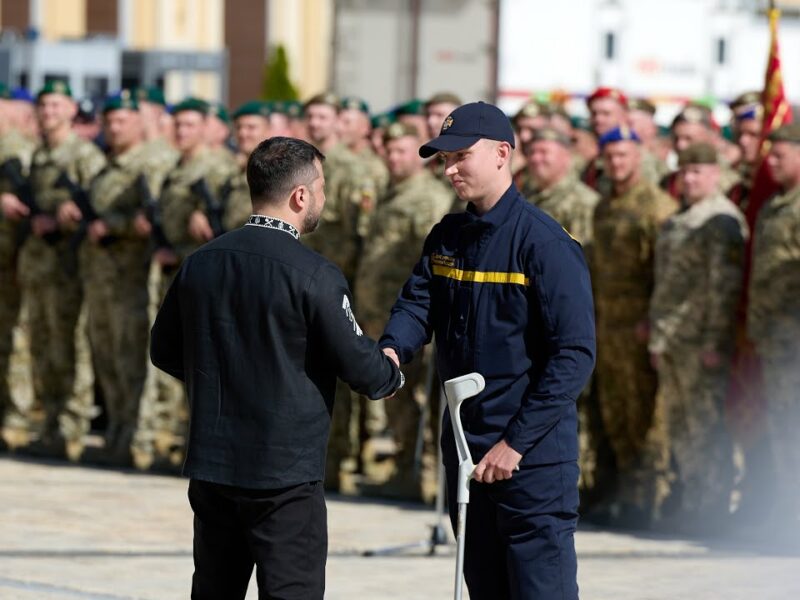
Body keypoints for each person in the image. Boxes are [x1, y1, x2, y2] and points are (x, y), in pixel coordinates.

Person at [150, 136, 404, 599]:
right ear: (300, 195)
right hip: (283, 476)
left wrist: (223, 375)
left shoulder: (201, 262)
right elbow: (362, 369)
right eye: (321, 187)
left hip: (215, 465)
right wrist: (390, 368)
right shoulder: (314, 274)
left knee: (214, 590)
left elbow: (165, 350)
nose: (323, 198)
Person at [380, 101, 595, 599]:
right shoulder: (448, 235)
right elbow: (417, 305)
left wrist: (515, 443)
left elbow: (574, 354)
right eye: (444, 159)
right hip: (466, 453)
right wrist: (392, 352)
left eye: (461, 156)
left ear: (502, 153)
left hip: (530, 461)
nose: (450, 169)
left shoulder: (543, 243)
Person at [353, 122, 453, 501]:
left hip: (408, 317)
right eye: (390, 151)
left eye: (403, 151)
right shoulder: (387, 193)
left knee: (416, 400)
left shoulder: (427, 199)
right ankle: (402, 467)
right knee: (396, 400)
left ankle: (423, 472)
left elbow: (429, 263)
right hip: (377, 311)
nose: (395, 158)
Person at [649, 143, 746, 532]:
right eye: (684, 172)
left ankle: (713, 508)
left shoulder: (721, 221)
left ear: (716, 175)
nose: (689, 179)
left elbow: (723, 288)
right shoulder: (680, 218)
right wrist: (658, 336)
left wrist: (714, 342)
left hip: (700, 341)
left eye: (698, 172)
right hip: (673, 340)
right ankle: (693, 503)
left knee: (706, 427)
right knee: (681, 428)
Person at [590, 126, 678, 526]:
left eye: (623, 155)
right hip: (608, 327)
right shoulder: (603, 206)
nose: (616, 163)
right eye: (610, 157)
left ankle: (652, 501)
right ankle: (627, 495)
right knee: (615, 413)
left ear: (638, 157)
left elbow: (667, 272)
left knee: (646, 417)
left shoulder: (658, 207)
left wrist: (654, 321)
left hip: (639, 327)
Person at [748, 123, 800, 536]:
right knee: (782, 428)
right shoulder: (774, 205)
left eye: (781, 155)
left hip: (794, 342)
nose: (772, 162)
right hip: (773, 341)